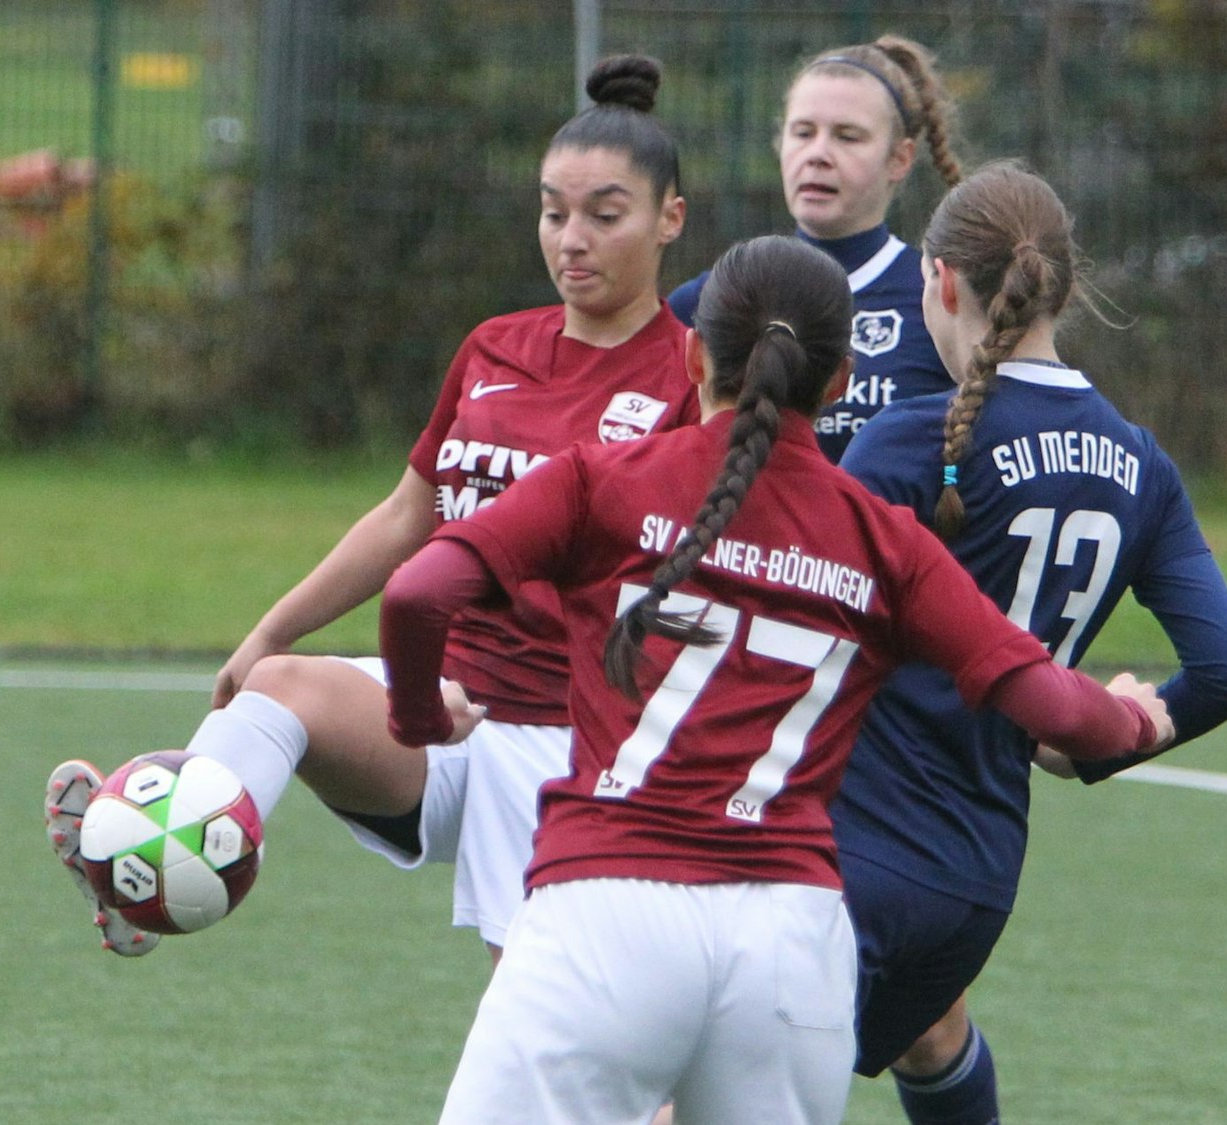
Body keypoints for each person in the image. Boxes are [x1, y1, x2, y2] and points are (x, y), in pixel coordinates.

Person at [377, 234, 1175, 1124]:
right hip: (792, 946)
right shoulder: (887, 540)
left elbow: (417, 592)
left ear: (690, 356)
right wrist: (1133, 720)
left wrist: (419, 717)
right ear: (838, 383)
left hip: (607, 912)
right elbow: (1060, 710)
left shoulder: (602, 479)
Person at [42, 55, 699, 957]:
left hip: (575, 746)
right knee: (279, 691)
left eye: (604, 214)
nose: (570, 238)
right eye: (552, 211)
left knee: (582, 1060)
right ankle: (148, 870)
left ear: (671, 219)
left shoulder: (694, 376)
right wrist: (267, 633)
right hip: (441, 709)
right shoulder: (494, 348)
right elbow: (406, 518)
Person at [832, 159, 1227, 1123]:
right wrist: (1104, 736)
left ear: (939, 281)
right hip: (978, 876)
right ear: (1062, 287)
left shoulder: (910, 442)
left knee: (687, 1090)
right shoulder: (1140, 464)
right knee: (927, 1035)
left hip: (849, 853)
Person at [671, 34, 963, 462]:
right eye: (803, 132)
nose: (818, 154)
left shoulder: (938, 301)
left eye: (848, 136)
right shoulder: (706, 299)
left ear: (900, 159)